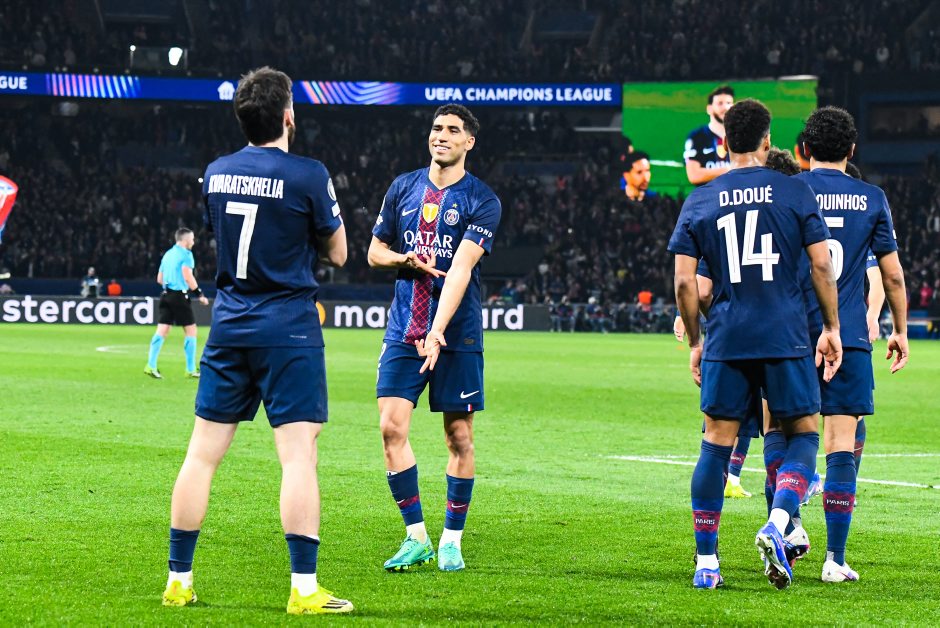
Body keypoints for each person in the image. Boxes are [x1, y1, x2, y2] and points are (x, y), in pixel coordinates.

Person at [162, 66, 352, 614]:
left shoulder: (216, 172)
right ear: (289, 116)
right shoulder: (309, 174)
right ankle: (304, 589)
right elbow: (339, 253)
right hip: (288, 328)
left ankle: (178, 580)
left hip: (230, 325)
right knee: (298, 456)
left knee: (201, 456)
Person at [668, 99, 843, 590]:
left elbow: (684, 284)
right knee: (803, 434)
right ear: (767, 140)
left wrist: (696, 341)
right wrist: (831, 327)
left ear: (724, 142)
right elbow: (821, 264)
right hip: (785, 335)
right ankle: (779, 520)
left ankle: (707, 563)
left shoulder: (701, 198)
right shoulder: (795, 189)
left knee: (715, 445)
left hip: (727, 337)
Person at [367, 103, 501, 573]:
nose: (441, 136)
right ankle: (416, 536)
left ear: (469, 142)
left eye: (452, 130)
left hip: (456, 334)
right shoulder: (403, 188)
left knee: (458, 436)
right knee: (391, 427)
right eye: (437, 128)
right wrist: (402, 259)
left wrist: (438, 330)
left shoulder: (482, 200)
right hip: (405, 328)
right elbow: (374, 251)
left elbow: (461, 267)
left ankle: (451, 540)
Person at [794, 106, 908, 583]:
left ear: (804, 148)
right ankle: (834, 560)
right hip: (850, 335)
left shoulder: (788, 190)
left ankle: (786, 529)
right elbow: (892, 275)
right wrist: (899, 329)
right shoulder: (872, 197)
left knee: (787, 437)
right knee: (842, 443)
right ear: (852, 149)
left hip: (792, 335)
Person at [145, 228, 209, 379]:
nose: (193, 242)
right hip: (179, 296)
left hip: (166, 295)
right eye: (192, 239)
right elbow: (188, 276)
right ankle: (190, 369)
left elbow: (159, 279)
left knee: (162, 330)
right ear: (185, 240)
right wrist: (199, 294)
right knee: (191, 331)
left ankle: (150, 365)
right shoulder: (186, 255)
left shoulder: (168, 254)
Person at [684, 85, 734, 186]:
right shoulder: (697, 136)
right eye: (720, 103)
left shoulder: (740, 136)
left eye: (729, 103)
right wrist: (731, 170)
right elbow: (694, 175)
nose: (725, 107)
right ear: (709, 109)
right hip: (708, 195)